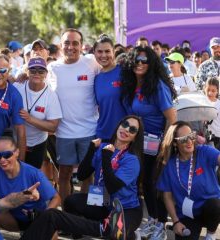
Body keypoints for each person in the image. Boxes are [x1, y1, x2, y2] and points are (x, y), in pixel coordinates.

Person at [121, 46, 177, 239]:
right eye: (136, 60)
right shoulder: (132, 84)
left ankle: (161, 224)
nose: (140, 63)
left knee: (155, 183)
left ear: (151, 63)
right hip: (138, 143)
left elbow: (172, 117)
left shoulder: (157, 85)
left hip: (156, 142)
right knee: (145, 182)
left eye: (144, 60)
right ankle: (153, 220)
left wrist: (165, 144)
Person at [64, 115, 144, 239]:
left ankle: (131, 235)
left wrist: (106, 158)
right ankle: (79, 235)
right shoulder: (103, 147)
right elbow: (81, 175)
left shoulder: (132, 160)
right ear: (119, 125)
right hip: (103, 201)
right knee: (70, 202)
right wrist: (91, 149)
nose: (127, 130)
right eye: (125, 124)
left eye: (132, 130)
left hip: (126, 209)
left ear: (134, 138)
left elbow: (112, 187)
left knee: (115, 234)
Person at [47, 28, 101, 207]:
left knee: (88, 175)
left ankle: (83, 211)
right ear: (60, 46)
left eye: (75, 43)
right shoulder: (52, 67)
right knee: (64, 175)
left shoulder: (92, 62)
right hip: (63, 132)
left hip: (89, 130)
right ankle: (67, 212)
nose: (71, 47)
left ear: (81, 45)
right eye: (67, 43)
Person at [0, 136, 61, 232]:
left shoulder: (33, 173)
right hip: (13, 219)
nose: (2, 159)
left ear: (17, 153)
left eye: (6, 154)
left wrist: (45, 218)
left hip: (38, 218)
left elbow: (56, 198)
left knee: (50, 233)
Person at [157, 121, 220, 240]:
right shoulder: (169, 165)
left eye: (191, 136)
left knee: (215, 205)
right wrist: (175, 222)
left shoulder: (204, 151)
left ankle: (211, 234)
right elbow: (167, 196)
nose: (190, 141)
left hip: (210, 210)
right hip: (187, 213)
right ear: (175, 142)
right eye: (184, 139)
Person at [14, 57, 62, 169]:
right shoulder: (17, 87)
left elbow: (53, 127)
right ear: (27, 72)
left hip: (37, 144)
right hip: (15, 141)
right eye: (33, 70)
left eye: (41, 71)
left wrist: (30, 118)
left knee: (32, 177)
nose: (37, 74)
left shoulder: (51, 95)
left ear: (46, 74)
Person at [93, 34, 126, 142]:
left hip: (124, 135)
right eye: (100, 51)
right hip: (103, 135)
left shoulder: (124, 72)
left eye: (107, 51)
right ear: (94, 53)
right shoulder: (95, 78)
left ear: (113, 52)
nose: (103, 55)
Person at [204, 77, 220, 149]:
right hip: (204, 136)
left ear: (217, 91)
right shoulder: (201, 102)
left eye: (213, 91)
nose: (210, 93)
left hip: (217, 136)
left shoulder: (218, 104)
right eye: (208, 90)